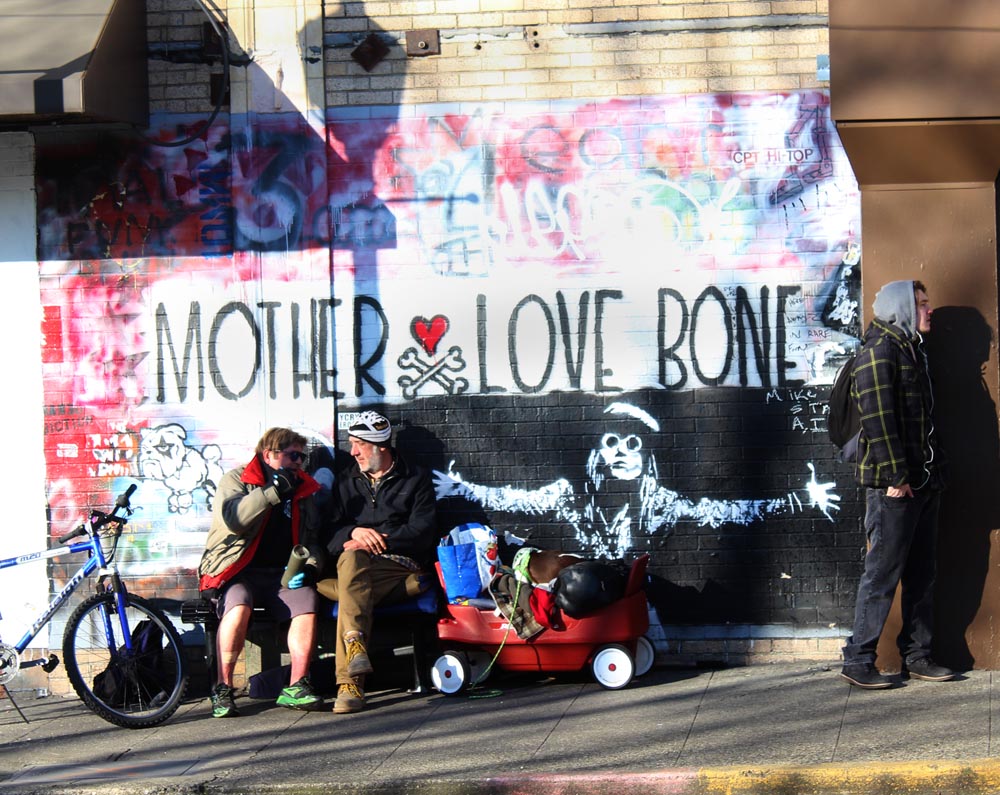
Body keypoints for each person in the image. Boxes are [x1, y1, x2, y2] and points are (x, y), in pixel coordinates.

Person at [840, 279, 953, 689]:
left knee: (923, 573)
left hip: (923, 481)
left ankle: (917, 655)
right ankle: (858, 660)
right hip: (895, 486)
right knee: (882, 574)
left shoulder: (911, 349)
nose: (929, 310)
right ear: (902, 308)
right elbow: (878, 420)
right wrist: (896, 477)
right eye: (922, 304)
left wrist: (929, 475)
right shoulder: (879, 352)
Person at [198, 427, 326, 717]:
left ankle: (297, 686)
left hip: (281, 574)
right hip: (237, 570)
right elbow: (234, 520)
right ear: (269, 455)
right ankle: (223, 688)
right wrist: (271, 492)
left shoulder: (304, 490)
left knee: (307, 600)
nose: (298, 462)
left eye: (302, 457)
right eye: (293, 456)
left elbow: (313, 541)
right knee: (239, 604)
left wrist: (310, 567)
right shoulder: (237, 480)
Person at [318, 411, 439, 714]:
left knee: (349, 585)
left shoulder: (415, 478)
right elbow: (328, 534)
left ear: (380, 447)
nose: (353, 452)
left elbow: (422, 532)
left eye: (359, 444)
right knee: (352, 562)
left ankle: (350, 684)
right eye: (351, 443)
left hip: (398, 565)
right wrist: (353, 532)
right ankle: (355, 648)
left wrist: (378, 539)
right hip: (357, 565)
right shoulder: (346, 481)